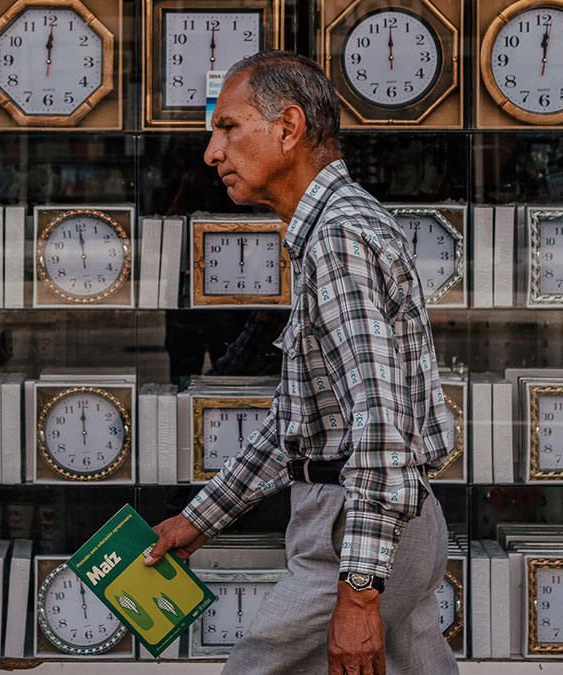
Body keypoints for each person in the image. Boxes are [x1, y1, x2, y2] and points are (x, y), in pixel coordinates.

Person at [145, 50, 458, 675]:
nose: (211, 153)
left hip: (356, 527)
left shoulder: (338, 237)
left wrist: (359, 593)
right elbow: (297, 422)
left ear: (288, 129)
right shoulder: (330, 230)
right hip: (387, 521)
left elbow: (381, 425)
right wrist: (197, 521)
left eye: (229, 127)